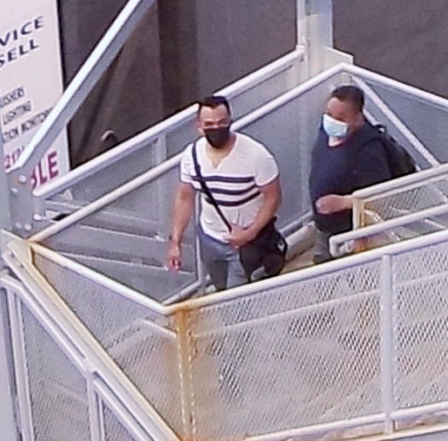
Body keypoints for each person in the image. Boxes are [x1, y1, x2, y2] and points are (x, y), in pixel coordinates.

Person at [163, 92, 285, 288]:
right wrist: (175, 242)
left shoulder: (256, 155)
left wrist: (250, 233)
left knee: (237, 297)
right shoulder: (192, 156)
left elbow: (273, 197)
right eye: (209, 125)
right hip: (210, 238)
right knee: (220, 289)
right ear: (199, 127)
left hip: (244, 245)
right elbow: (184, 198)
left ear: (230, 121)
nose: (216, 129)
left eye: (221, 123)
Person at [305, 80, 414, 252]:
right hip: (324, 227)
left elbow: (380, 196)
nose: (332, 121)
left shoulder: (368, 152)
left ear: (357, 119)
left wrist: (343, 202)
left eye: (340, 118)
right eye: (329, 114)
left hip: (349, 232)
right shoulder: (326, 131)